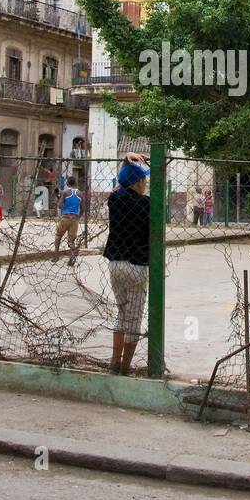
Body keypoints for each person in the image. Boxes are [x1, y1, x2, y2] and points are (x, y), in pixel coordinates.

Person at [104, 154, 151, 375]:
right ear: (139, 183)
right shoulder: (147, 204)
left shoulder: (114, 201)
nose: (146, 183)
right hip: (137, 264)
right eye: (144, 180)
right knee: (134, 318)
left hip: (115, 263)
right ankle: (125, 366)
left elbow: (119, 184)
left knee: (121, 313)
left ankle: (114, 361)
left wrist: (126, 161)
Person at [55, 176, 83, 265]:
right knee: (71, 241)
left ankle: (56, 256)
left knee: (58, 236)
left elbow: (59, 206)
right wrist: (78, 216)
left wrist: (58, 197)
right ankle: (73, 255)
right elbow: (83, 208)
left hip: (65, 218)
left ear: (67, 183)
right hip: (74, 220)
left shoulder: (66, 192)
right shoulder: (80, 193)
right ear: (76, 183)